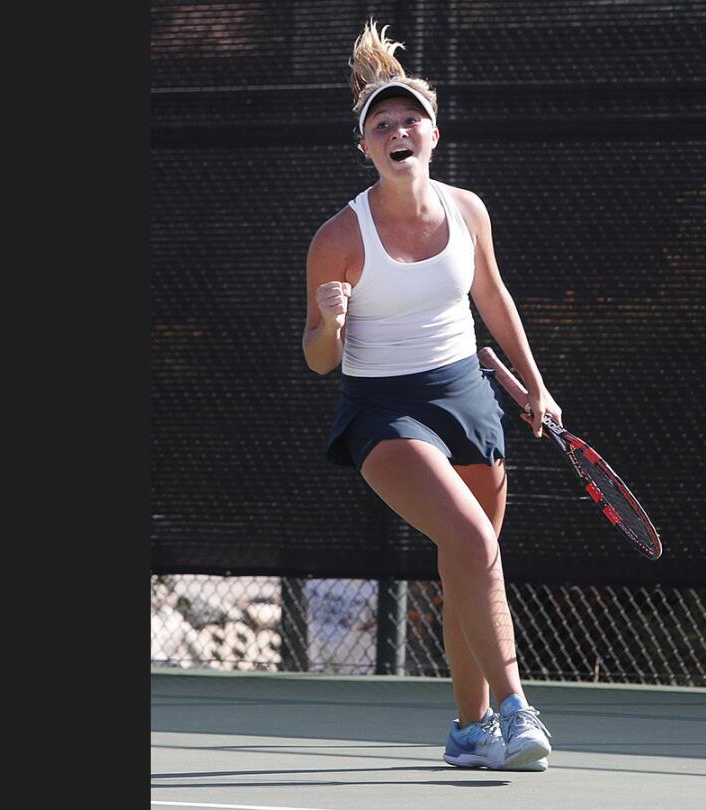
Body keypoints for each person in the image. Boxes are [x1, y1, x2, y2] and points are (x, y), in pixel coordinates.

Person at [301, 20, 559, 772]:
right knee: (474, 541)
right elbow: (319, 360)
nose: (397, 130)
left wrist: (537, 387)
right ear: (366, 148)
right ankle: (517, 709)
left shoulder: (468, 210)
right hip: (385, 411)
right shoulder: (338, 238)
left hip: (467, 395)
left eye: (408, 117)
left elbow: (493, 296)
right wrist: (332, 322)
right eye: (381, 124)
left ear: (433, 133)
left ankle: (469, 730)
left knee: (468, 561)